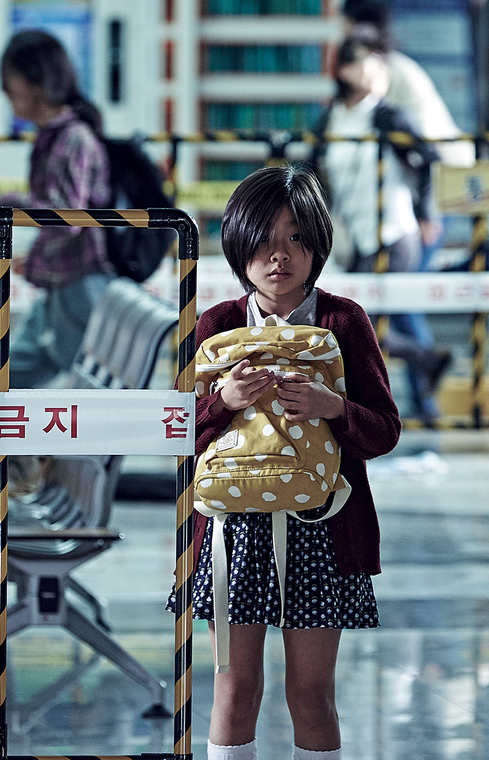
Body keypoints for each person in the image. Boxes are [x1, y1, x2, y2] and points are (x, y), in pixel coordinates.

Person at [167, 164, 401, 760]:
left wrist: (332, 407)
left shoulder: (343, 320)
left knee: (312, 694)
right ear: (237, 244)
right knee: (233, 687)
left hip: (323, 527)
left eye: (296, 237)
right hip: (232, 531)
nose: (279, 256)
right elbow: (177, 433)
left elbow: (385, 431)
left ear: (318, 243)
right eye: (264, 239)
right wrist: (225, 402)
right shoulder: (217, 324)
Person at [0, 30, 112, 389]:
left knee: (87, 401)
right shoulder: (57, 136)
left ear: (35, 81)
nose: (5, 91)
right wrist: (40, 258)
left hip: (81, 288)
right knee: (1, 383)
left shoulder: (71, 138)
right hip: (67, 285)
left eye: (8, 80)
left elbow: (65, 219)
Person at [314, 30, 452, 423]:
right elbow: (312, 167)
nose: (377, 70)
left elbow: (429, 158)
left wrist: (427, 212)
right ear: (344, 70)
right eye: (366, 62)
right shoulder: (332, 118)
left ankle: (391, 402)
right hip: (355, 236)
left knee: (361, 323)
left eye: (379, 62)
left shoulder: (388, 115)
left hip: (394, 232)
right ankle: (425, 361)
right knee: (356, 323)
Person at [341, 0, 472, 168]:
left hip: (442, 164)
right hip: (435, 158)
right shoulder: (393, 64)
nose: (343, 31)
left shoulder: (383, 69)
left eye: (346, 22)